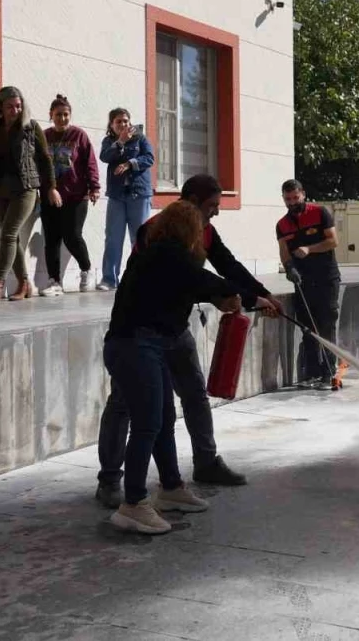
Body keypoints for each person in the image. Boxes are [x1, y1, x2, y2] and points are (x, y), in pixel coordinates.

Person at [95, 174, 283, 508]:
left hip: (174, 329)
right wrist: (233, 297)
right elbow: (181, 275)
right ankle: (111, 480)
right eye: (212, 206)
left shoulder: (205, 231)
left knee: (192, 394)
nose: (216, 213)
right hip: (139, 333)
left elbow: (227, 266)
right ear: (193, 202)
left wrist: (261, 294)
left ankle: (203, 464)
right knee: (128, 405)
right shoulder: (158, 230)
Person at [103, 200, 240, 535]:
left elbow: (191, 286)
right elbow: (202, 279)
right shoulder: (167, 254)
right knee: (148, 423)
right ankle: (133, 504)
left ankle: (170, 488)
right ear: (188, 230)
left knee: (163, 418)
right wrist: (237, 295)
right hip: (134, 346)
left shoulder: (159, 255)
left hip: (147, 344)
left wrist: (231, 297)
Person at [0, 86, 59, 304]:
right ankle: (24, 283)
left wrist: (51, 187)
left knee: (7, 235)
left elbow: (45, 159)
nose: (14, 110)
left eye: (18, 106)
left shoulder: (31, 128)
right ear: (0, 108)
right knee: (12, 238)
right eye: (9, 107)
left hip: (25, 188)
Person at [276, 179, 340, 389]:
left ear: (303, 194)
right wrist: (290, 269)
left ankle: (330, 372)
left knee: (326, 324)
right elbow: (284, 252)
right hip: (303, 282)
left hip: (326, 278)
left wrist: (309, 249)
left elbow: (333, 241)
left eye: (296, 197)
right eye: (288, 199)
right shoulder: (282, 224)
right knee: (308, 327)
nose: (292, 202)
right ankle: (312, 373)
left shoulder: (320, 213)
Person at [39, 94, 100, 296]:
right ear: (51, 115)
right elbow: (38, 164)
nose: (63, 118)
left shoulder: (79, 136)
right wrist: (46, 188)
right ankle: (54, 281)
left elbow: (90, 162)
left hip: (75, 195)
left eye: (66, 115)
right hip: (49, 195)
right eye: (58, 115)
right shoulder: (44, 136)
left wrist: (94, 187)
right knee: (52, 239)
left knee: (72, 236)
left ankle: (86, 269)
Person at [99, 108, 154, 290]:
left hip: (139, 194)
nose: (123, 125)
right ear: (112, 125)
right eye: (118, 122)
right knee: (113, 238)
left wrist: (130, 163)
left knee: (140, 238)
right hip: (117, 196)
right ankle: (109, 279)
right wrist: (120, 142)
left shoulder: (141, 139)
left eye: (125, 121)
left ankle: (142, 277)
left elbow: (149, 158)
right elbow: (105, 156)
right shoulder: (109, 142)